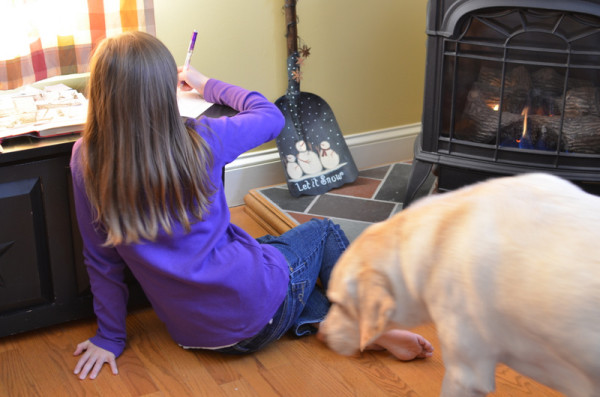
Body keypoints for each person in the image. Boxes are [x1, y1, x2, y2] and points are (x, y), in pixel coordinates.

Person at [70, 31, 433, 380]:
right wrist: (203, 81)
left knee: (267, 251)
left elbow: (100, 258)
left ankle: (325, 322)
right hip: (259, 312)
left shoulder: (85, 159)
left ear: (98, 90)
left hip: (192, 334)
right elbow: (271, 115)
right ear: (166, 91)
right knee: (322, 232)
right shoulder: (204, 139)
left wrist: (111, 337)